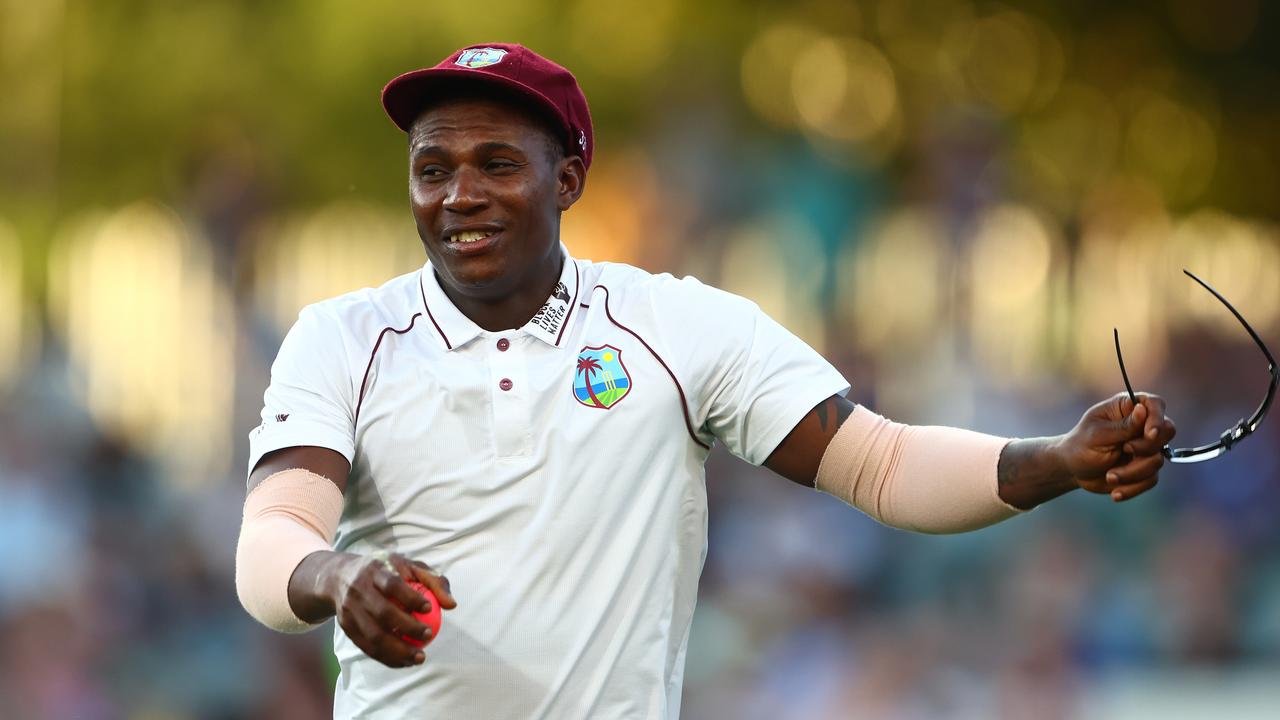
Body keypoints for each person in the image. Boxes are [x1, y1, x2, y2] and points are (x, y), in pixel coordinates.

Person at [235, 43, 1176, 718]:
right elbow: (273, 537)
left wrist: (1056, 458)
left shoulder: (675, 326)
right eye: (431, 168)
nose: (458, 195)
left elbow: (881, 465)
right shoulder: (342, 336)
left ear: (567, 180)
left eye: (496, 164)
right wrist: (338, 571)